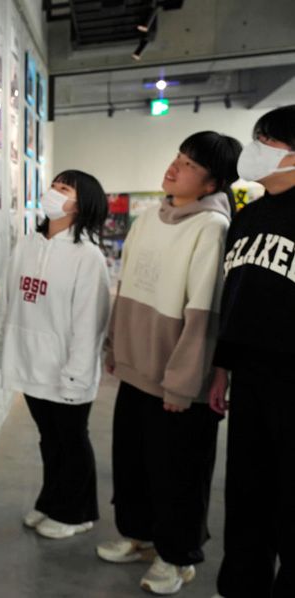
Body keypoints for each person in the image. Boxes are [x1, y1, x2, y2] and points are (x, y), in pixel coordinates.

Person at [99, 131, 242, 595]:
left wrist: (182, 385)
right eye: (177, 157)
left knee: (178, 474)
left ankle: (176, 557)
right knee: (134, 463)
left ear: (212, 184)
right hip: (138, 372)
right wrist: (114, 348)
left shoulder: (211, 229)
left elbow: (205, 313)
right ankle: (139, 536)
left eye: (189, 164)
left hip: (177, 382)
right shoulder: (148, 217)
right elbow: (126, 291)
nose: (174, 167)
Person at [208, 105, 295, 598]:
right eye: (256, 137)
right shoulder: (247, 215)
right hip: (252, 379)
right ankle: (242, 585)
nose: (255, 148)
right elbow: (233, 298)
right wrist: (222, 368)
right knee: (247, 495)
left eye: (269, 141)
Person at [0, 170, 110, 540]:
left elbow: (89, 322)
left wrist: (76, 373)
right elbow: (12, 298)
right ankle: (51, 501)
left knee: (71, 440)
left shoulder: (88, 256)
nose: (53, 193)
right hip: (32, 364)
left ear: (82, 206)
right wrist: (6, 344)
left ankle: (76, 512)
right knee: (50, 439)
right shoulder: (29, 243)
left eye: (64, 189)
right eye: (55, 185)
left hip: (67, 370)